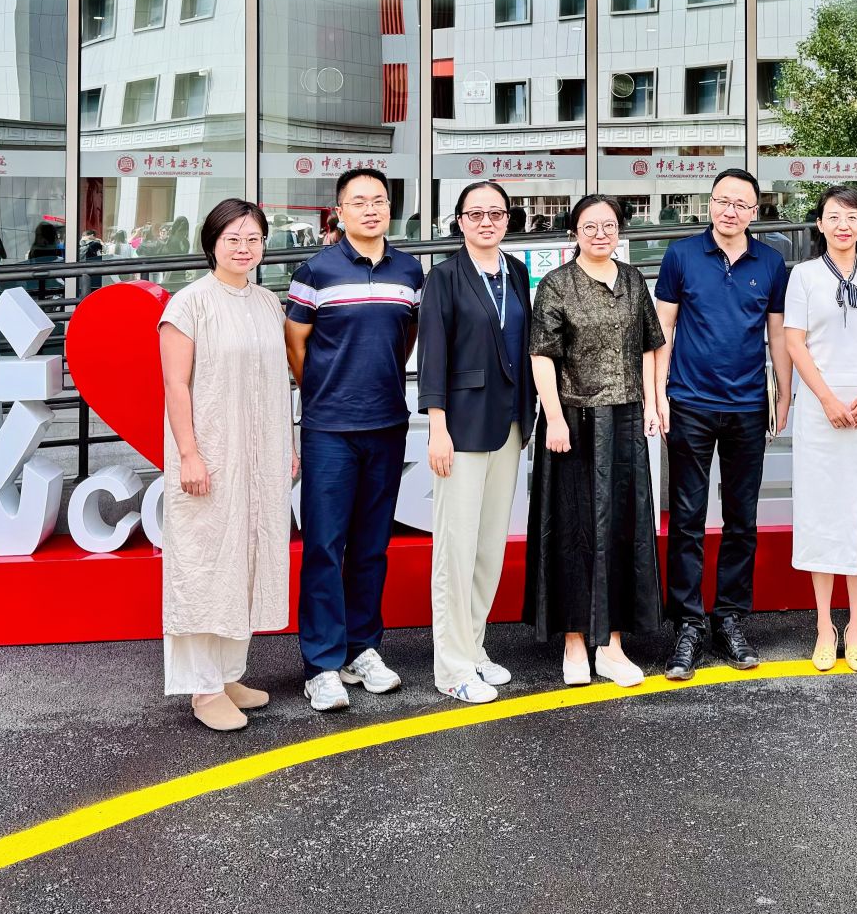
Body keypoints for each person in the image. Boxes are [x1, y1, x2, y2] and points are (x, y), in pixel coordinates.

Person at [285, 167, 425, 712]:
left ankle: (362, 649)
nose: (371, 209)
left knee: (371, 547)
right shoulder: (315, 270)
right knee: (324, 545)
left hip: (386, 423)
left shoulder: (409, 270)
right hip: (329, 429)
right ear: (339, 212)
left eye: (380, 200)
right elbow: (296, 344)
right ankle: (321, 664)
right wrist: (327, 391)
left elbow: (405, 337)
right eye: (359, 201)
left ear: (390, 209)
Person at [158, 199, 294, 731]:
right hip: (210, 455)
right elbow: (175, 385)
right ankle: (203, 687)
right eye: (233, 238)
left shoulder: (268, 302)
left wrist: (287, 445)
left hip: (260, 455)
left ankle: (229, 673)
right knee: (205, 564)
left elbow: (276, 382)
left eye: (253, 239)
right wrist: (189, 454)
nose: (244, 248)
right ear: (211, 243)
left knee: (248, 556)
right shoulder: (188, 304)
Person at [652, 168, 791, 680]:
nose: (729, 211)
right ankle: (688, 624)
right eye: (721, 201)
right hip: (689, 402)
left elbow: (777, 336)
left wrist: (785, 394)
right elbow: (663, 328)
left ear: (755, 211)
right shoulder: (681, 255)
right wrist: (659, 395)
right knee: (687, 519)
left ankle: (729, 617)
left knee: (741, 519)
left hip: (748, 407)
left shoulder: (771, 263)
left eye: (740, 204)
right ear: (709, 204)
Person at [526, 192, 665, 687]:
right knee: (573, 529)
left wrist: (653, 404)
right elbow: (541, 356)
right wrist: (554, 417)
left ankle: (611, 644)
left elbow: (649, 347)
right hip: (574, 421)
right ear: (574, 233)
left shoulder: (632, 279)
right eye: (590, 226)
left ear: (620, 231)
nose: (601, 234)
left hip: (625, 419)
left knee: (622, 529)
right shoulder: (556, 284)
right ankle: (573, 641)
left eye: (609, 226)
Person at [417, 180, 535, 706]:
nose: (486, 222)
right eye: (475, 214)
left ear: (508, 219)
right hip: (461, 427)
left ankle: (475, 646)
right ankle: (452, 667)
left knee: (488, 548)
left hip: (509, 423)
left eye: (496, 213)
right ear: (460, 221)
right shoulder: (444, 277)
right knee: (456, 549)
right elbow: (433, 355)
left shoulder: (516, 272)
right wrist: (437, 427)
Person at [783, 185, 857, 672]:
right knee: (822, 517)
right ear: (820, 224)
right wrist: (828, 400)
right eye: (833, 216)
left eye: (852, 217)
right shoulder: (804, 276)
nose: (843, 225)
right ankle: (823, 627)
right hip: (820, 413)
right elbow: (795, 343)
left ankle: (855, 627)